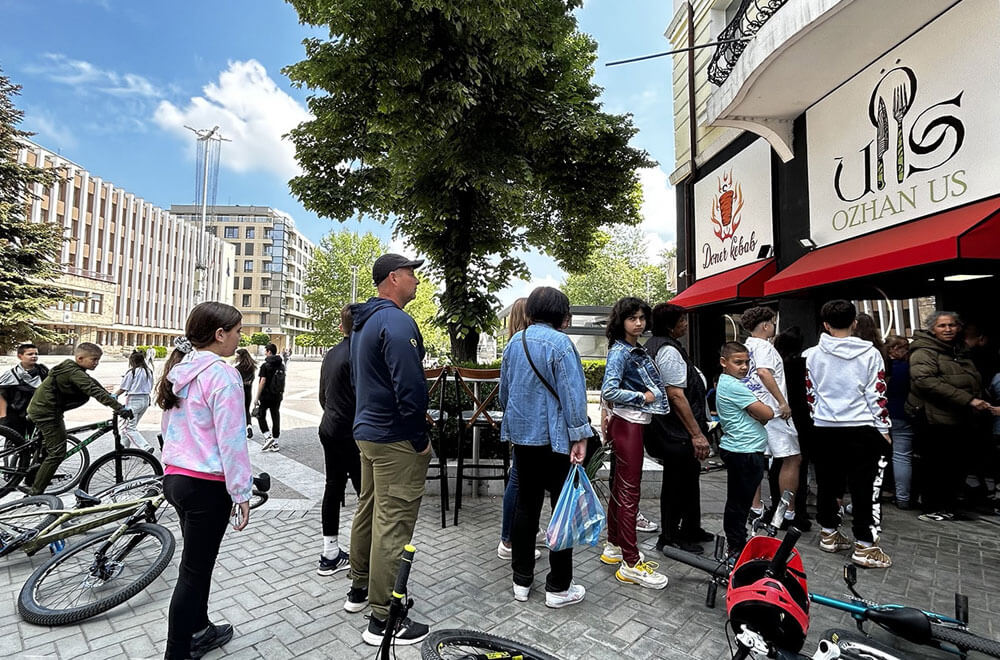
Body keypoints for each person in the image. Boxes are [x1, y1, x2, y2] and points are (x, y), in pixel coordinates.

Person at [156, 301, 253, 660]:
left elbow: (168, 429)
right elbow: (232, 440)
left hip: (177, 479)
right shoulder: (222, 376)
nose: (241, 338)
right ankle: (178, 652)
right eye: (238, 331)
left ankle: (200, 628)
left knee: (198, 563)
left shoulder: (180, 370)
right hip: (206, 487)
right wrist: (241, 492)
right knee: (193, 572)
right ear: (220, 334)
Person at [347, 253, 432, 646]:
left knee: (369, 509)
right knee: (393, 522)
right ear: (394, 278)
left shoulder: (364, 322)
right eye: (412, 274)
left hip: (368, 432)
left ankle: (360, 588)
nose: (417, 280)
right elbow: (410, 387)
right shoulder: (396, 322)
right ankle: (384, 618)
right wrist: (419, 438)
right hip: (395, 438)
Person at [500, 286, 590, 608]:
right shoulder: (561, 345)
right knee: (560, 509)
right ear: (561, 314)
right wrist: (580, 435)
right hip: (556, 441)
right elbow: (573, 396)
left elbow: (505, 393)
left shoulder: (515, 342)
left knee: (526, 507)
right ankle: (558, 587)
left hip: (523, 438)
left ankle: (521, 581)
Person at [804, 300, 892, 569]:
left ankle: (829, 534)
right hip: (861, 427)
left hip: (824, 427)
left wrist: (819, 417)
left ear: (826, 325)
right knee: (864, 487)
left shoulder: (813, 355)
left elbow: (811, 393)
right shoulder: (871, 354)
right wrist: (883, 428)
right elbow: (877, 394)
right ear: (854, 322)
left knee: (827, 483)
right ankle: (865, 545)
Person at [600, 297, 669, 590]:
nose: (638, 323)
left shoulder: (628, 348)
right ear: (621, 321)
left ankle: (615, 545)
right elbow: (609, 390)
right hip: (628, 425)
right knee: (629, 493)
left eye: (641, 317)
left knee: (621, 489)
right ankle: (630, 562)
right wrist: (643, 397)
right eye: (632, 318)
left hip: (628, 424)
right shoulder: (621, 352)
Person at [907, 311, 996, 521]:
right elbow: (925, 381)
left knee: (956, 463)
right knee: (938, 463)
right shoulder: (924, 352)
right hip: (935, 417)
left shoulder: (958, 350)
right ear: (932, 329)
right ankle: (934, 507)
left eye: (952, 325)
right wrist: (968, 399)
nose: (948, 329)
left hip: (959, 416)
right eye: (942, 326)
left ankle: (950, 504)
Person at [643, 303, 713, 556]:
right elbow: (675, 395)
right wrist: (696, 434)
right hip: (675, 431)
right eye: (682, 321)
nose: (685, 324)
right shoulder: (668, 350)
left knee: (688, 479)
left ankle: (691, 528)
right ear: (670, 326)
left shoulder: (656, 345)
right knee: (678, 484)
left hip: (671, 429)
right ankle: (673, 536)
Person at [25, 343, 131, 495]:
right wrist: (119, 408)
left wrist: (111, 398)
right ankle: (36, 491)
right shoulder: (74, 372)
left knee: (48, 446)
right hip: (47, 412)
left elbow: (93, 383)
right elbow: (93, 390)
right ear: (80, 358)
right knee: (57, 452)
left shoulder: (73, 369)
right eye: (94, 359)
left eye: (98, 360)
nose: (96, 363)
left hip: (44, 409)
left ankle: (32, 474)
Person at [739, 306, 801, 527]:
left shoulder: (745, 346)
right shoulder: (764, 346)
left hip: (752, 407)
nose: (774, 326)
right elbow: (764, 372)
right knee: (792, 457)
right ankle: (786, 511)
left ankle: (755, 507)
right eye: (773, 322)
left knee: (755, 457)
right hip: (773, 411)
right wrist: (782, 402)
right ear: (765, 325)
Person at [716, 342, 774, 560]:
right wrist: (761, 411)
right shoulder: (734, 386)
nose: (744, 367)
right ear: (724, 362)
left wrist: (758, 412)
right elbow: (767, 413)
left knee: (739, 502)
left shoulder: (729, 383)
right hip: (744, 451)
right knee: (739, 504)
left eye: (747, 362)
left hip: (743, 448)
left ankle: (737, 544)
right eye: (738, 362)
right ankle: (736, 547)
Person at [317, 304, 362, 576]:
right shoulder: (359, 353)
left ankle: (330, 552)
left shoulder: (331, 353)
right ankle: (364, 556)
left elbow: (323, 396)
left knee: (332, 487)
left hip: (329, 427)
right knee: (365, 492)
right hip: (351, 431)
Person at [497, 297, 540, 561]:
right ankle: (509, 539)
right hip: (531, 424)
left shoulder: (512, 345)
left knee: (519, 476)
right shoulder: (530, 344)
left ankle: (522, 532)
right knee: (519, 479)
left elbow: (504, 393)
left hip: (517, 422)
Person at [772, 328, 813, 530]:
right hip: (801, 416)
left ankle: (778, 509)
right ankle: (796, 511)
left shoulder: (776, 366)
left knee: (778, 464)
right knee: (797, 465)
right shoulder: (802, 365)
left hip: (781, 415)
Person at [884, 335, 915, 509]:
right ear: (894, 349)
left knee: (877, 457)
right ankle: (903, 498)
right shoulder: (908, 369)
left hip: (882, 415)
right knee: (902, 457)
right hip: (902, 414)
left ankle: (876, 493)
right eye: (904, 348)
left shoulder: (882, 367)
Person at [0, 343, 49, 437]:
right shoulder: (11, 374)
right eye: (30, 354)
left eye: (36, 354)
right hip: (17, 414)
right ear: (20, 356)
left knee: (39, 439)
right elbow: (2, 394)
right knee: (16, 439)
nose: (34, 356)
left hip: (38, 412)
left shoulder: (43, 371)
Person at [113, 350, 155, 453]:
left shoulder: (132, 372)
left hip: (134, 400)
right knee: (128, 425)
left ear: (132, 361)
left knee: (128, 428)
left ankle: (145, 447)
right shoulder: (148, 371)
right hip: (145, 400)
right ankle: (124, 450)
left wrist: (114, 395)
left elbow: (123, 388)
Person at [255, 343, 285, 452]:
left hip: (265, 396)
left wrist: (256, 397)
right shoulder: (281, 365)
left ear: (269, 351)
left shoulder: (265, 365)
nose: (265, 353)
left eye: (265, 351)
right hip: (277, 395)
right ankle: (275, 442)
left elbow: (262, 381)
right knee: (275, 416)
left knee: (260, 415)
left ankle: (268, 436)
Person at [233, 349, 257, 439]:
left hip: (239, 393)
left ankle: (240, 430)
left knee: (238, 412)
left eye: (237, 355)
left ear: (240, 356)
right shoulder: (251, 367)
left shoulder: (237, 368)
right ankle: (249, 425)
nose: (236, 357)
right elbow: (252, 379)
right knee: (246, 410)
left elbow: (235, 382)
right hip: (248, 392)